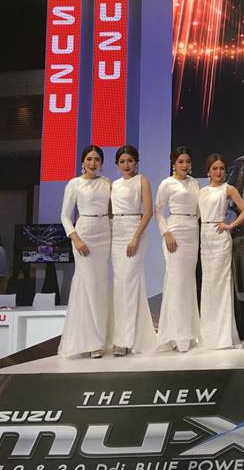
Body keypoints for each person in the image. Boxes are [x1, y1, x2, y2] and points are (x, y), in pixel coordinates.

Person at [59, 145, 113, 358]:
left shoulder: (106, 183)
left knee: (100, 286)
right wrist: (76, 238)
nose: (93, 163)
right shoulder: (74, 184)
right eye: (89, 159)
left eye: (97, 159)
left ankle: (99, 339)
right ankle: (89, 342)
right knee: (88, 285)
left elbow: (112, 211)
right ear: (83, 162)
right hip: (84, 236)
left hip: (104, 234)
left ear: (101, 163)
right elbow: (65, 216)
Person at [199, 153, 244, 349]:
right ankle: (208, 333)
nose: (218, 172)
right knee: (208, 286)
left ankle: (223, 336)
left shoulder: (228, 189)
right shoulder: (202, 191)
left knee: (221, 286)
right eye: (215, 168)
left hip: (220, 239)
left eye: (221, 168)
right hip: (205, 240)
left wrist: (230, 225)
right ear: (208, 171)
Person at [110, 145, 158, 356]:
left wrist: (136, 236)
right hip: (116, 233)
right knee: (121, 285)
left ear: (136, 162)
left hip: (134, 232)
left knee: (128, 283)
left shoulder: (142, 180)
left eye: (130, 160)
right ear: (117, 164)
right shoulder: (114, 184)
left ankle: (124, 340)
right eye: (122, 161)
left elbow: (148, 212)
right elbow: (110, 211)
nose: (126, 165)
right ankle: (131, 335)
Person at [155, 146, 202, 352]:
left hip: (192, 233)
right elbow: (158, 211)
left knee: (188, 282)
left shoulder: (195, 184)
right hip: (174, 232)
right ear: (173, 163)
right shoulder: (167, 184)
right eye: (180, 161)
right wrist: (166, 233)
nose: (184, 165)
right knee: (175, 282)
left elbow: (199, 211)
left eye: (187, 161)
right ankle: (174, 335)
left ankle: (188, 333)